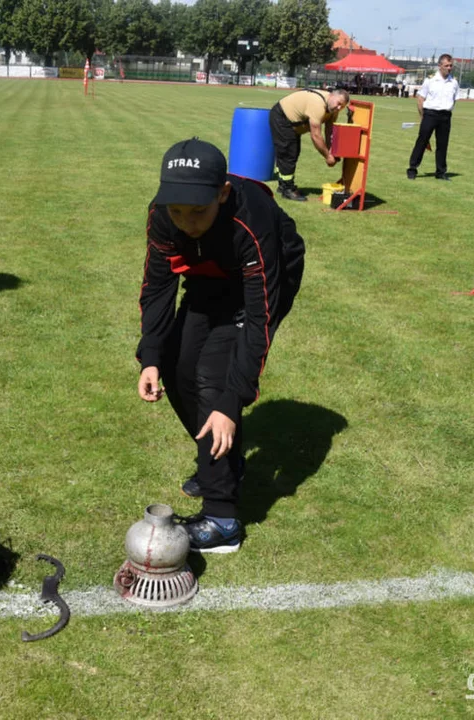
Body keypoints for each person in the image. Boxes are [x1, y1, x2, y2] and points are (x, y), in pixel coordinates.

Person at [137, 138, 305, 553]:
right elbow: (158, 287)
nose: (187, 222)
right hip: (209, 273)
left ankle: (222, 518)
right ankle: (224, 464)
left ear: (223, 193)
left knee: (214, 376)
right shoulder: (164, 218)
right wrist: (152, 356)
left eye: (199, 211)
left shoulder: (252, 219)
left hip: (266, 274)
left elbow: (258, 319)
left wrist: (232, 400)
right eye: (178, 211)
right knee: (177, 366)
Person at [268, 87, 350, 201]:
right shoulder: (318, 104)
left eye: (342, 107)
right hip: (282, 117)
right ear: (331, 96)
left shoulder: (333, 110)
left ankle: (284, 185)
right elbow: (315, 135)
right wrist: (327, 156)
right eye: (338, 103)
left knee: (293, 152)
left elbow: (329, 130)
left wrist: (331, 150)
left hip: (293, 122)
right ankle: (287, 189)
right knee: (289, 153)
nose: (339, 108)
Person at [407, 54, 458, 181]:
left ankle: (440, 172)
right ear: (440, 66)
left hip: (445, 116)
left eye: (451, 65)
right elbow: (420, 98)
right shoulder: (430, 80)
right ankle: (412, 168)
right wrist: (422, 116)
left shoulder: (454, 82)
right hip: (430, 114)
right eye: (446, 65)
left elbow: (454, 100)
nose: (449, 68)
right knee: (422, 141)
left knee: (443, 144)